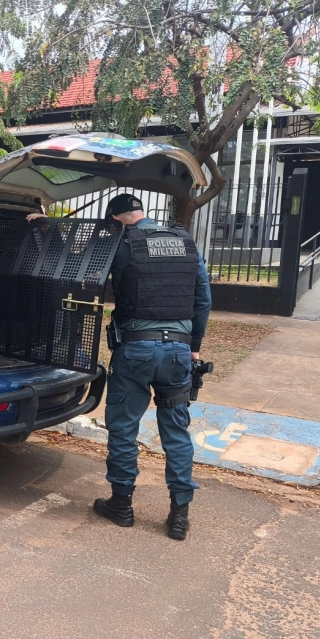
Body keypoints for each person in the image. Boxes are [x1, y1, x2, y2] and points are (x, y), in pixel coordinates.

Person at [90, 193, 211, 540]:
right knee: (176, 433)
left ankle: (121, 506)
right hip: (178, 352)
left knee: (124, 428)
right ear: (141, 212)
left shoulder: (120, 243)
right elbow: (203, 300)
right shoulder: (186, 242)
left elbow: (79, 267)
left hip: (135, 351)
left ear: (116, 219)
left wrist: (43, 227)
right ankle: (179, 517)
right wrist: (194, 348)